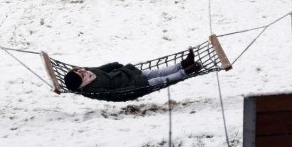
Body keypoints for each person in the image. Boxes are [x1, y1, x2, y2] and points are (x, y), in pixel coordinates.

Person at [63, 48, 202, 94]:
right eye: (80, 75)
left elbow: (102, 69)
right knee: (161, 80)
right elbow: (113, 94)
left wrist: (115, 64)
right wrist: (133, 91)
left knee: (158, 72)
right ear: (81, 82)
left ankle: (183, 64)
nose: (82, 72)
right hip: (136, 86)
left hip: (130, 73)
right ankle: (186, 71)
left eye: (79, 71)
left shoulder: (88, 72)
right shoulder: (93, 88)